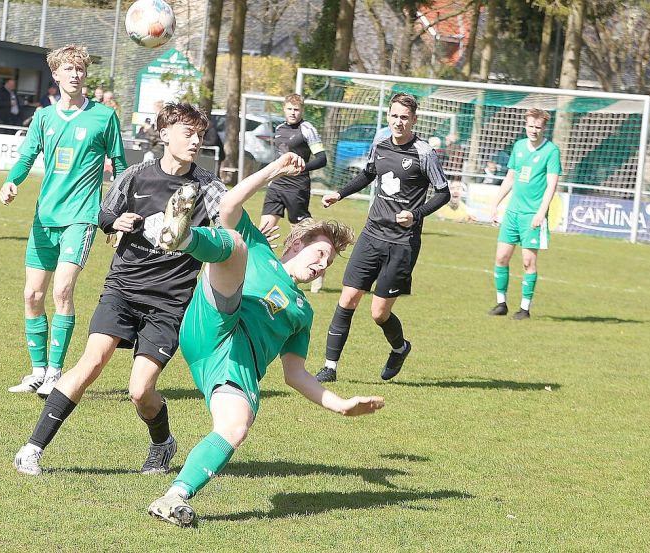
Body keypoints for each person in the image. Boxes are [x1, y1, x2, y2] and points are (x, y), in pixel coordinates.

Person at [145, 151, 384, 527]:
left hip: (237, 364)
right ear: (295, 244)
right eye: (320, 253)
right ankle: (183, 235)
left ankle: (173, 496)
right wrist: (274, 170)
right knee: (236, 245)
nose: (322, 265)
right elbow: (228, 203)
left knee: (235, 428)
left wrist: (340, 406)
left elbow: (295, 374)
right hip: (216, 323)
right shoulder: (262, 251)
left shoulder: (304, 312)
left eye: (328, 263)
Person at [12, 102, 226, 477]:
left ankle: (162, 442)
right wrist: (118, 221)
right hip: (123, 288)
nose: (196, 141)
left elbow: (225, 238)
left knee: (140, 391)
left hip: (170, 301)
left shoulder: (208, 188)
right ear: (164, 135)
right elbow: (103, 214)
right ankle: (32, 449)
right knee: (90, 363)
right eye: (188, 133)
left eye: (200, 135)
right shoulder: (136, 176)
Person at [0, 45, 127, 396]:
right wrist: (12, 180)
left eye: (80, 70)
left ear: (85, 75)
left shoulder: (104, 117)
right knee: (32, 294)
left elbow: (120, 166)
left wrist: (116, 215)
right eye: (68, 69)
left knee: (62, 290)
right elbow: (26, 157)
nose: (75, 75)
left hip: (82, 217)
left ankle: (56, 373)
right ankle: (37, 371)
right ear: (55, 75)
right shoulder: (44, 118)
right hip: (45, 217)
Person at [315, 92, 449, 383]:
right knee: (348, 298)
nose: (398, 122)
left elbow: (443, 193)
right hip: (372, 234)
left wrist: (417, 214)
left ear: (413, 120)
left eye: (404, 117)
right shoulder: (380, 144)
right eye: (394, 116)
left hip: (402, 243)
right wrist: (339, 193)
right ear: (388, 116)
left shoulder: (424, 153)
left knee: (378, 313)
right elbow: (368, 174)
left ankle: (400, 348)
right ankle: (329, 367)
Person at [488, 108, 561, 320]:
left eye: (538, 127)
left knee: (528, 262)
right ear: (525, 125)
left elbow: (551, 185)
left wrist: (541, 213)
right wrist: (495, 204)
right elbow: (510, 177)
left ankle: (525, 308)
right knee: (501, 257)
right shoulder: (519, 146)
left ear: (544, 127)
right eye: (530, 126)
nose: (534, 130)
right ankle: (501, 303)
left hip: (532, 215)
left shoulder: (551, 151)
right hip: (512, 213)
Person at [260, 93, 328, 292]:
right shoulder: (279, 129)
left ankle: (318, 268)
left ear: (302, 111)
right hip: (277, 185)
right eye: (290, 109)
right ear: (284, 109)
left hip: (297, 187)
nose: (293, 113)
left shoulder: (307, 129)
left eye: (296, 109)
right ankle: (267, 271)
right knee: (263, 231)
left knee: (301, 233)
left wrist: (301, 168)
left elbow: (322, 158)